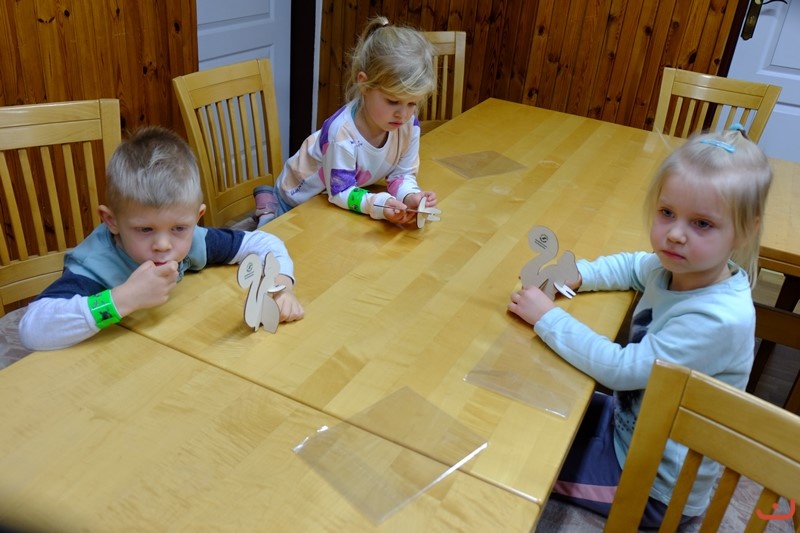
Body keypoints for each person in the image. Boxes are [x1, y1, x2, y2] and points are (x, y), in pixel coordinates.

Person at [507, 127, 772, 527]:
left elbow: (620, 368)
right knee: (531, 403)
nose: (675, 234)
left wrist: (547, 318)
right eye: (667, 213)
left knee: (524, 465)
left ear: (746, 230)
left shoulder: (717, 318)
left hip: (651, 485)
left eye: (702, 223)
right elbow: (633, 266)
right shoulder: (680, 268)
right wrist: (580, 274)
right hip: (628, 425)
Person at [19, 126, 304, 351]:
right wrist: (123, 299)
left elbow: (263, 243)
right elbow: (32, 329)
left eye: (179, 228)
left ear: (197, 217)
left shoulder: (194, 239)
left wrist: (281, 288)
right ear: (111, 221)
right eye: (145, 230)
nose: (163, 245)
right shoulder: (95, 266)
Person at [252, 16, 438, 226]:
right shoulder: (341, 133)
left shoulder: (408, 127)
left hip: (331, 200)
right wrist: (379, 203)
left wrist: (410, 196)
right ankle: (269, 204)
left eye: (412, 103)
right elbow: (341, 192)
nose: (403, 115)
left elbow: (401, 175)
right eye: (393, 101)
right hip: (296, 202)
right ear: (364, 84)